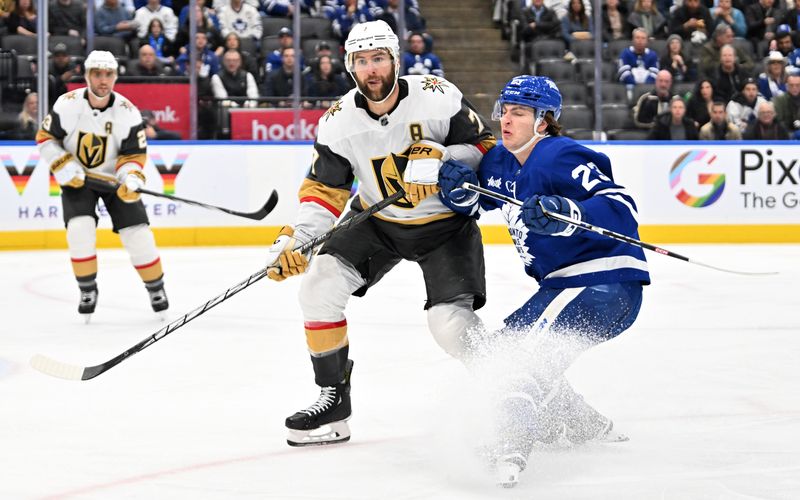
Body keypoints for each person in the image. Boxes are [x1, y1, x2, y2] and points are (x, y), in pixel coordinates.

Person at [264, 20, 496, 447]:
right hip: (378, 220)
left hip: (445, 227)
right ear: (350, 67)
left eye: (378, 59)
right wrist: (294, 241)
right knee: (318, 287)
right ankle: (333, 403)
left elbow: (484, 148)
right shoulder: (337, 122)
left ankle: (510, 390)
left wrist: (443, 154)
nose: (371, 69)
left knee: (449, 326)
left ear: (395, 60)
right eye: (361, 61)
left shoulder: (436, 95)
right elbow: (324, 193)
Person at [437, 75, 649, 487]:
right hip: (559, 287)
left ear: (545, 121)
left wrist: (567, 211)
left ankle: (509, 440)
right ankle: (579, 422)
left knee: (518, 358)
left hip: (602, 282)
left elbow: (619, 205)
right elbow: (477, 196)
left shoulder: (560, 155)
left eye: (520, 112)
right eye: (505, 110)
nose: (507, 120)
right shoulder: (498, 160)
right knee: (502, 351)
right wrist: (460, 192)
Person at [35, 51, 169, 320]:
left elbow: (132, 155)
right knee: (79, 230)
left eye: (108, 74)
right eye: (97, 74)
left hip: (114, 181)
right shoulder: (67, 104)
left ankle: (156, 287)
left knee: (138, 234)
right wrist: (64, 166)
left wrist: (130, 178)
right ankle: (87, 289)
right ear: (87, 76)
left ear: (115, 76)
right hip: (78, 179)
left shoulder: (128, 112)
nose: (103, 80)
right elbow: (46, 137)